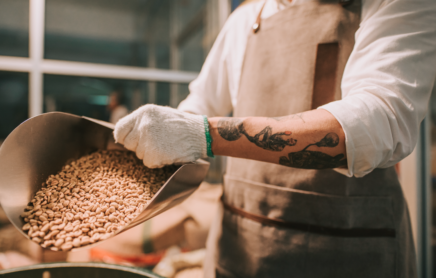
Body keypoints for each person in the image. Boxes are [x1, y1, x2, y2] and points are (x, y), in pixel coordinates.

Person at [114, 0, 436, 277]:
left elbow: (374, 124)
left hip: (347, 254)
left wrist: (205, 135)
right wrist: (158, 138)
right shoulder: (245, 21)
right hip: (238, 255)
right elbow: (197, 108)